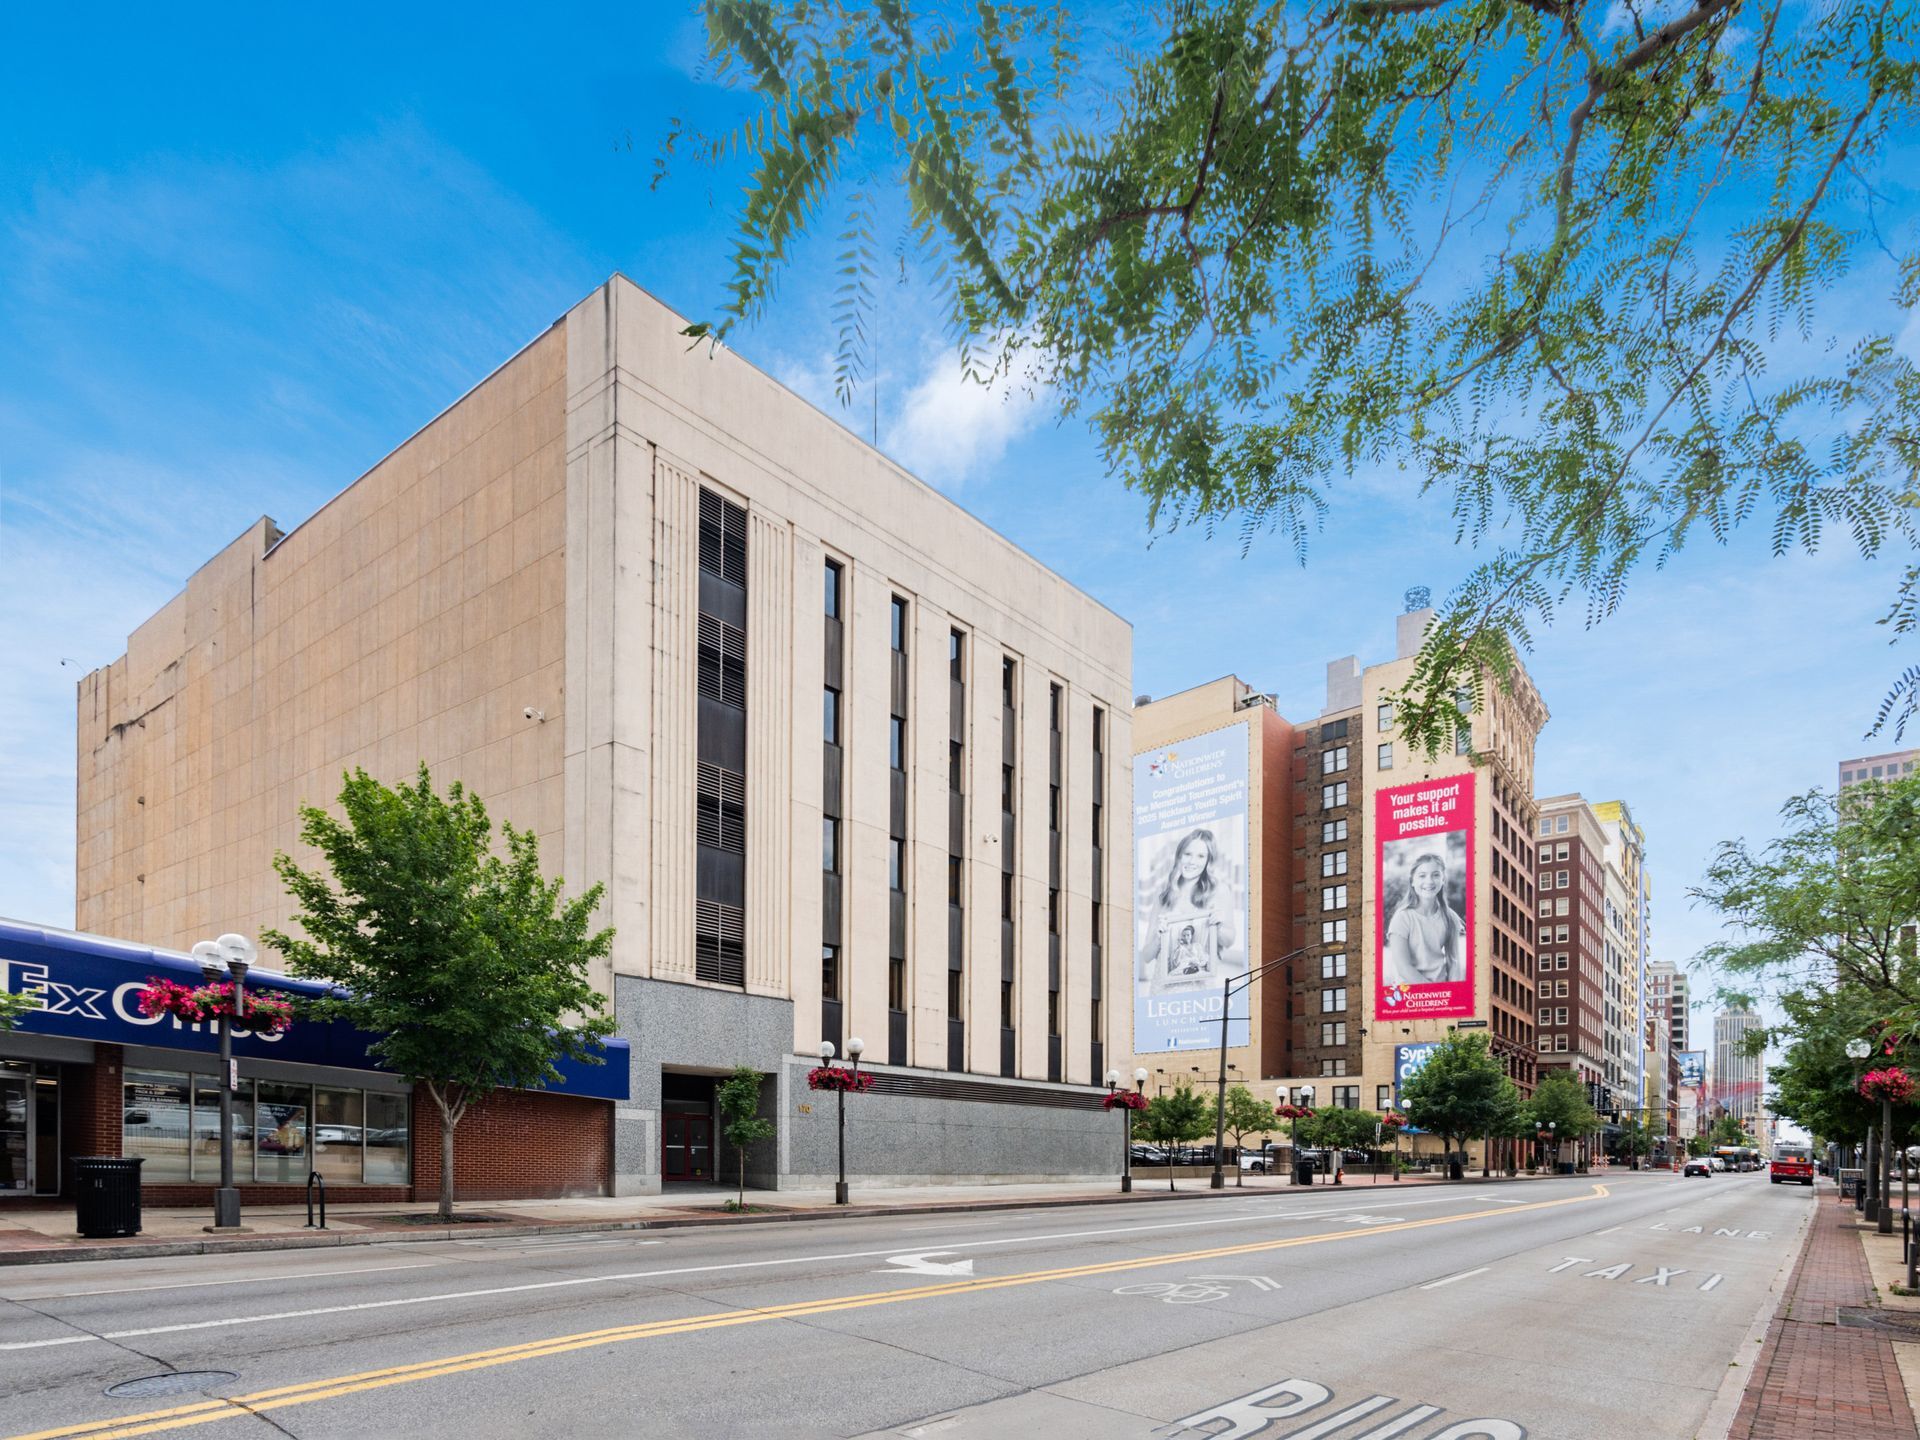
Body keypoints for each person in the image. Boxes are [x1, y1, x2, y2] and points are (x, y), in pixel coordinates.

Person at [1138, 827, 1238, 992]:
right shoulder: (1163, 897)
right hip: (1162, 990)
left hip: (1199, 989)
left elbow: (1229, 940)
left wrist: (1218, 925)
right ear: (1179, 856)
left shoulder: (1219, 891)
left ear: (1208, 861)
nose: (1192, 861)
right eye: (1188, 854)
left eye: (1200, 856)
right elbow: (1147, 956)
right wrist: (1158, 936)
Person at [1382, 851, 1465, 986]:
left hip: (1441, 991)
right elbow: (1404, 968)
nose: (1429, 881)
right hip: (1411, 993)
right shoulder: (1402, 918)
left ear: (1443, 879)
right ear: (1412, 882)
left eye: (1436, 875)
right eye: (1422, 876)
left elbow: (1454, 960)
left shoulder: (1450, 917)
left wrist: (1452, 991)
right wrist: (1431, 992)